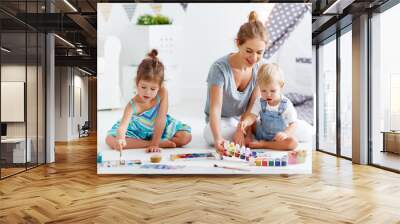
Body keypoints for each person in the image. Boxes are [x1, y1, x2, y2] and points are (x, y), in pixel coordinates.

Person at [203, 11, 268, 154]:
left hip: (245, 119)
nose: (254, 58)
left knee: (301, 130)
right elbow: (215, 108)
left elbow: (252, 107)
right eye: (249, 51)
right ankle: (255, 135)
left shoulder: (261, 67)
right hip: (222, 120)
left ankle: (252, 134)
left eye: (259, 52)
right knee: (209, 135)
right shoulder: (219, 69)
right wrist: (218, 138)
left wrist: (243, 128)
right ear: (238, 43)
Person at [106, 49, 192, 152]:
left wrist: (155, 144)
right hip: (137, 131)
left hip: (159, 128)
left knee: (186, 137)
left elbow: (161, 119)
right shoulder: (132, 105)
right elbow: (122, 127)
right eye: (143, 87)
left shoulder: (163, 93)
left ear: (159, 87)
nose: (147, 92)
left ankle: (156, 141)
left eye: (152, 89)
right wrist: (120, 138)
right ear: (137, 83)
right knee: (110, 140)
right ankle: (152, 143)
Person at [240, 63, 298, 150]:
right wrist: (246, 122)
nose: (268, 95)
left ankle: (264, 144)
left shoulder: (286, 104)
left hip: (277, 138)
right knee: (245, 117)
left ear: (281, 87)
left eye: (273, 91)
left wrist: (285, 134)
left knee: (293, 143)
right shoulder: (260, 101)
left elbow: (293, 124)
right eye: (263, 91)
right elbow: (252, 116)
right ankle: (249, 137)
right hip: (261, 132)